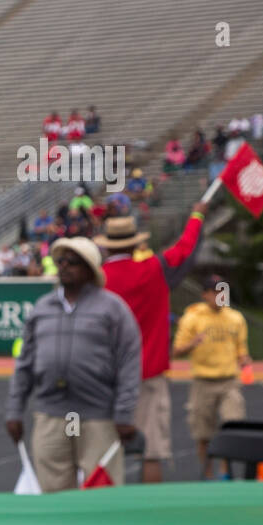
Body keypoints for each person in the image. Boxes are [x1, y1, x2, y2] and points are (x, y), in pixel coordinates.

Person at [6, 237, 141, 492]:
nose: (64, 267)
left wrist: (124, 413)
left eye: (73, 262)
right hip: (50, 414)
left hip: (97, 415)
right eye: (61, 261)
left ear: (90, 269)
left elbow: (129, 363)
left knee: (101, 496)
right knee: (53, 494)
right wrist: (14, 410)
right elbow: (24, 364)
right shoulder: (42, 308)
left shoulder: (112, 309)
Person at [97, 204, 207, 482]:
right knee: (153, 451)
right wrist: (196, 216)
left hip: (105, 377)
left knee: (103, 453)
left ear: (107, 248)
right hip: (148, 373)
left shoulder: (96, 279)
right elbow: (186, 249)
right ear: (135, 245)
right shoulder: (154, 268)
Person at [172, 274, 252, 479]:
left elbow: (241, 348)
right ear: (205, 295)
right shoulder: (193, 317)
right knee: (203, 433)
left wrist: (244, 359)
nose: (220, 296)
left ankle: (225, 472)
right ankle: (207, 475)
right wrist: (193, 343)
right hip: (203, 381)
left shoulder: (235, 318)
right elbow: (176, 350)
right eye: (216, 292)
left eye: (223, 291)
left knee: (231, 425)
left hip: (228, 381)